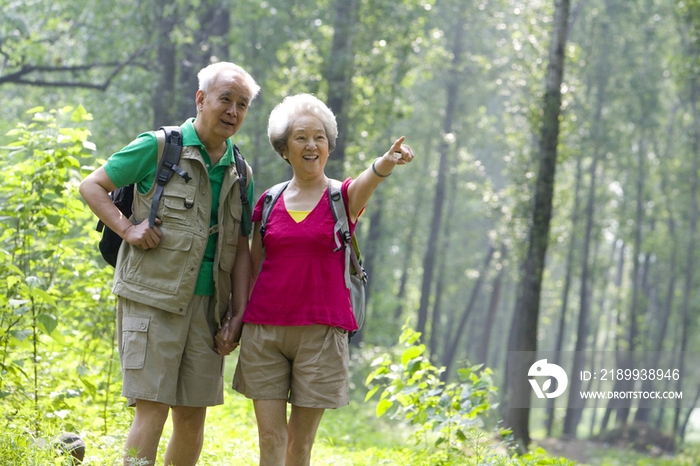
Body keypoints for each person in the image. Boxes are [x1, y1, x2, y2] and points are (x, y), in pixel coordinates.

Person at [79, 62, 259, 466]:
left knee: (193, 417)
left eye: (242, 104)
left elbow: (242, 246)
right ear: (201, 99)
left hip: (208, 308)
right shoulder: (159, 146)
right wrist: (128, 229)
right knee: (153, 409)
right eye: (225, 99)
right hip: (151, 300)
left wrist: (239, 312)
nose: (233, 111)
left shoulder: (241, 171)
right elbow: (91, 186)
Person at [232, 93, 415, 466]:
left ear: (329, 145)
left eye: (319, 137)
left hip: (321, 333)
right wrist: (237, 318)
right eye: (301, 137)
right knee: (270, 437)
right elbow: (253, 266)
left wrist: (386, 162)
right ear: (284, 148)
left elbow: (370, 179)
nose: (311, 145)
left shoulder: (341, 199)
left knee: (299, 444)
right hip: (264, 330)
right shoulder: (268, 201)